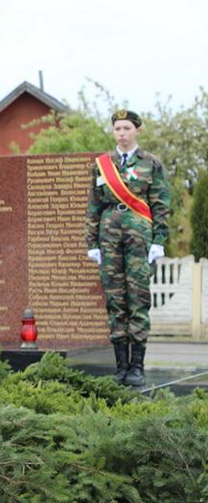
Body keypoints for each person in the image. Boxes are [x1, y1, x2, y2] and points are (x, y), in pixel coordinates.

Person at [85, 109, 170, 386]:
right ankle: (121, 367)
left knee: (138, 299)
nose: (121, 133)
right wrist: (92, 243)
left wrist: (159, 240)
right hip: (109, 237)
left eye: (127, 128)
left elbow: (160, 204)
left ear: (137, 130)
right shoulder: (102, 165)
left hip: (139, 238)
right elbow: (94, 204)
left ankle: (137, 367)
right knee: (115, 301)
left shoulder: (151, 163)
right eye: (117, 128)